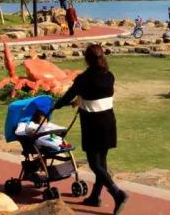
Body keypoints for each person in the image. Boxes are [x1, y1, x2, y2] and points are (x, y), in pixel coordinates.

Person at [53, 45, 129, 214]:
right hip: (109, 122)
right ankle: (95, 197)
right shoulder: (109, 76)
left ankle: (117, 194)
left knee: (95, 164)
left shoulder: (83, 79)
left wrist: (55, 105)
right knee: (102, 162)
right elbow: (93, 94)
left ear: (87, 59)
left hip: (93, 124)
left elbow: (68, 96)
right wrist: (81, 98)